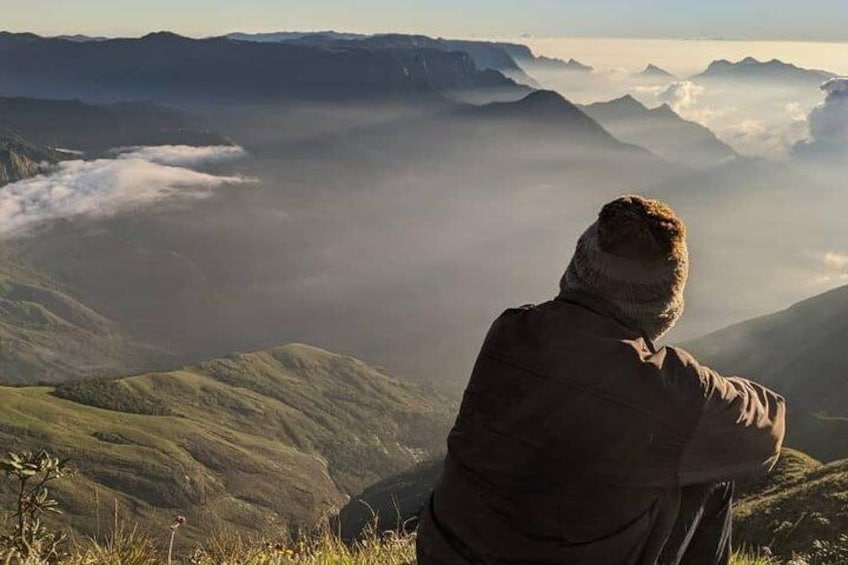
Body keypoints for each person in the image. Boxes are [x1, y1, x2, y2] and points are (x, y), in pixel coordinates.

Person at [416, 195, 786, 565]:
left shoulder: (512, 329)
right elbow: (767, 434)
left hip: (443, 552)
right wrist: (706, 386)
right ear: (668, 303)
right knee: (710, 477)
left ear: (576, 269)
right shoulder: (674, 390)